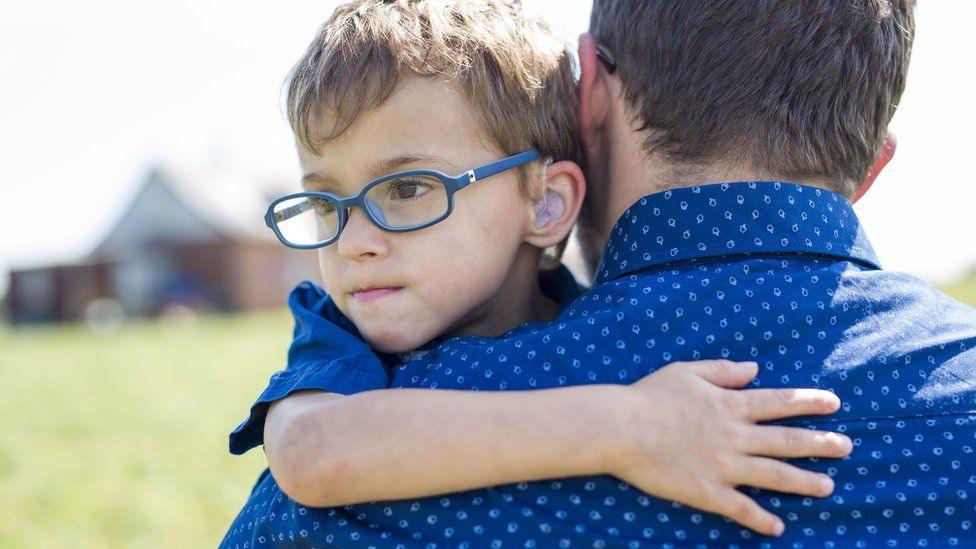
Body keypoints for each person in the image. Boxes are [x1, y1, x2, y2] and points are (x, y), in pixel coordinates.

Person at [220, 1, 857, 547]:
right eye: (326, 202)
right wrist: (629, 426)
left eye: (408, 188)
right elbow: (311, 455)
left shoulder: (598, 317)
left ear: (546, 203)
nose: (355, 242)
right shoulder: (336, 331)